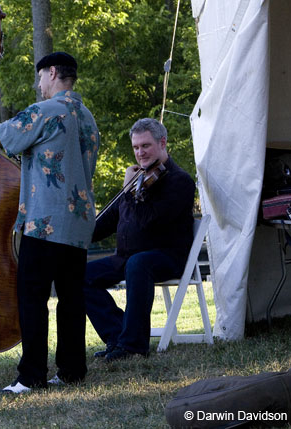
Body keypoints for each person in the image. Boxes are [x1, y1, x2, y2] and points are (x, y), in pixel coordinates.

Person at [0, 52, 100, 393]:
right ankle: (72, 370)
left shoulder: (46, 111)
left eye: (40, 76)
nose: (38, 84)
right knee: (72, 299)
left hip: (45, 221)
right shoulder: (87, 117)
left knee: (32, 298)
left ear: (53, 73)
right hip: (79, 221)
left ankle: (31, 376)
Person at [84, 118, 195, 362]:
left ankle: (134, 345)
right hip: (127, 257)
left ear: (162, 143)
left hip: (165, 256)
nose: (139, 152)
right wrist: (75, 233)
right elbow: (105, 223)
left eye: (145, 146)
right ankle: (118, 336)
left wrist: (130, 191)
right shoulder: (138, 180)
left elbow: (148, 221)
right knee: (80, 275)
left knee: (138, 263)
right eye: (135, 147)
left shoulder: (179, 181)